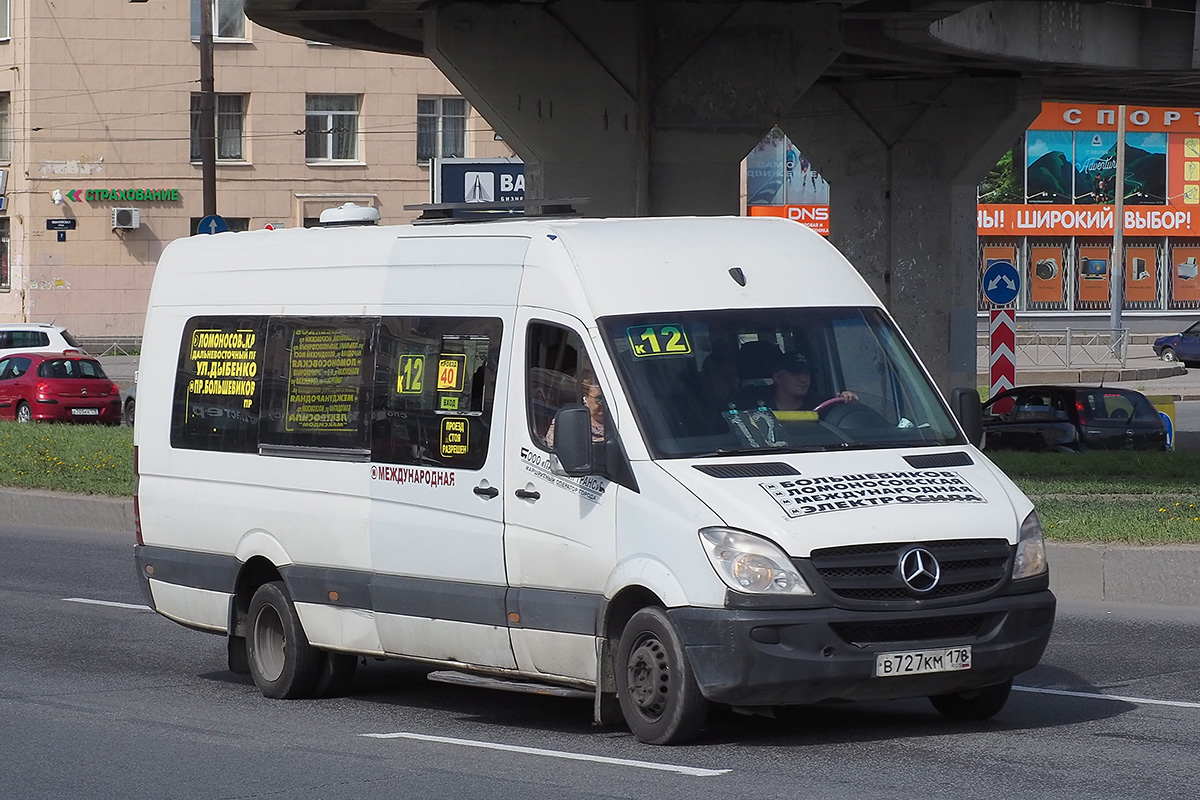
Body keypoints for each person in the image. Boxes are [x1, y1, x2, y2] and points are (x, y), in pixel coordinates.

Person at [770, 352, 856, 411]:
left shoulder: (825, 407)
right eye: (795, 373)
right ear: (777, 377)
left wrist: (848, 402)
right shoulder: (760, 409)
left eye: (807, 374)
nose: (803, 380)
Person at [544, 370, 606, 447]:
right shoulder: (568, 419)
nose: (605, 404)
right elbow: (555, 447)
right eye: (599, 399)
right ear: (585, 396)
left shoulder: (619, 419)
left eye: (608, 400)